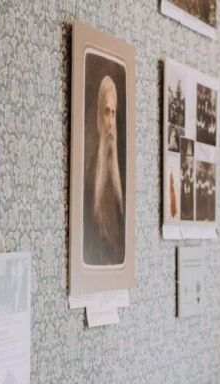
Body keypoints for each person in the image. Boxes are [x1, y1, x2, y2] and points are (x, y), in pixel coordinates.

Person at [83, 75, 126, 266]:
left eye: (113, 114)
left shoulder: (120, 171)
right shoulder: (92, 172)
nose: (110, 122)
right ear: (100, 117)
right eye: (107, 113)